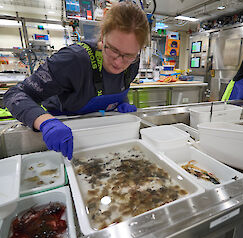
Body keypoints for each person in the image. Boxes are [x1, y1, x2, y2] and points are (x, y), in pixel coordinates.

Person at [4, 2, 149, 160]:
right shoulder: (73, 60)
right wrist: (45, 122)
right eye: (113, 50)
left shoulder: (133, 64)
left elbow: (115, 87)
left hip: (99, 139)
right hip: (59, 141)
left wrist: (120, 103)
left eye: (128, 55)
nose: (119, 62)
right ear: (103, 36)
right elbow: (15, 94)